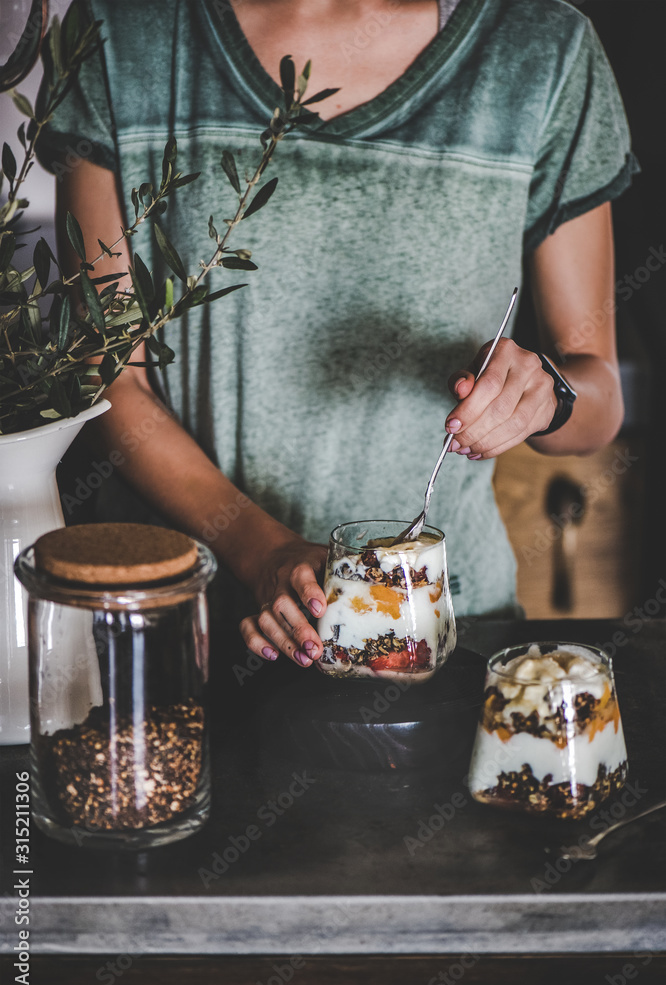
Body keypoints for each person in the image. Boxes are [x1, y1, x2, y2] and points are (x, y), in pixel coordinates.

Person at [36, 0, 636, 668]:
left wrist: (545, 394)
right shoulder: (125, 32)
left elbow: (598, 395)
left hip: (441, 635)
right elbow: (107, 376)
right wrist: (261, 553)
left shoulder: (542, 49)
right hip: (184, 633)